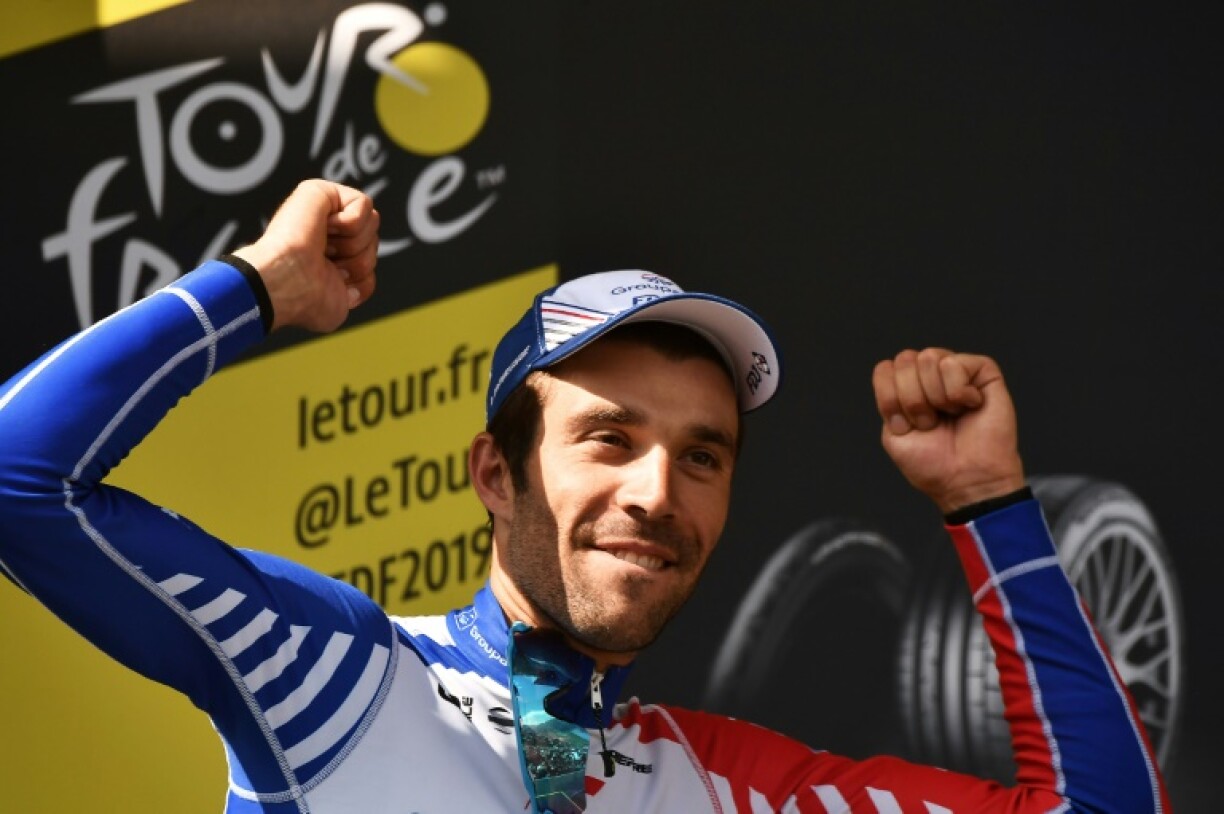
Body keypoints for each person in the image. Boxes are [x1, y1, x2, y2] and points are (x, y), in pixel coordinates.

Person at [0, 180, 1168, 813]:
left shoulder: (720, 782)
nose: (657, 490)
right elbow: (18, 476)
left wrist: (987, 500)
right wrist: (257, 287)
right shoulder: (340, 677)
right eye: (607, 437)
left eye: (702, 455)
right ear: (494, 474)